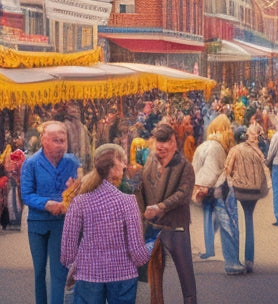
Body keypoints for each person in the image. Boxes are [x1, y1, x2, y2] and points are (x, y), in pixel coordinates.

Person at [60, 144, 150, 304]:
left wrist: (77, 265)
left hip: (88, 275)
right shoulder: (128, 202)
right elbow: (137, 254)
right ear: (113, 169)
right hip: (123, 276)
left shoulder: (79, 202)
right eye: (122, 161)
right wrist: (153, 246)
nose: (125, 165)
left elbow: (67, 253)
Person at [136, 122, 197, 304]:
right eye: (158, 142)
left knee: (186, 277)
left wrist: (161, 206)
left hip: (176, 227)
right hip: (153, 227)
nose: (160, 146)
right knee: (153, 279)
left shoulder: (185, 166)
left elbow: (183, 194)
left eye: (165, 142)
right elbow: (142, 189)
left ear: (173, 142)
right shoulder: (149, 162)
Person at [21, 120, 81, 304]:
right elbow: (26, 194)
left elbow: (81, 190)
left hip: (62, 223)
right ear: (43, 141)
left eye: (63, 140)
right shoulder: (31, 163)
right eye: (55, 140)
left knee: (59, 270)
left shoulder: (72, 162)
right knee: (39, 271)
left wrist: (75, 189)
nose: (60, 145)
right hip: (37, 223)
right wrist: (46, 204)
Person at [192, 114, 244, 276]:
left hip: (206, 188)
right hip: (219, 189)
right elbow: (212, 170)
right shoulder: (217, 146)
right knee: (228, 224)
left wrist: (198, 187)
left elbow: (196, 167)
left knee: (215, 220)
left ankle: (213, 251)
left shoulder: (205, 145)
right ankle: (232, 262)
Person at [224, 123, 270, 273]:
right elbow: (265, 168)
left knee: (235, 223)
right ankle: (249, 259)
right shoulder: (257, 151)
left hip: (240, 190)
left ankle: (235, 259)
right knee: (249, 221)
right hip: (255, 190)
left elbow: (227, 170)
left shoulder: (235, 150)